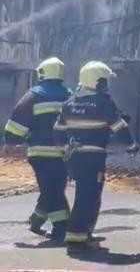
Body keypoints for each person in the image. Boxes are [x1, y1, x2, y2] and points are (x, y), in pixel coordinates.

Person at [55, 61, 139, 253]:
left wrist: (65, 149)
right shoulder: (103, 102)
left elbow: (58, 131)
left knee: (84, 194)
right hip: (93, 159)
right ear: (97, 82)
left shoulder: (69, 103)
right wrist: (131, 147)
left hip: (73, 158)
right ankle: (76, 237)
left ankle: (84, 234)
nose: (106, 85)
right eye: (104, 81)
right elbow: (119, 128)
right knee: (89, 197)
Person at [3, 57, 71, 243]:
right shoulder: (70, 96)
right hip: (65, 155)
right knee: (55, 189)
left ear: (42, 73)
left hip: (40, 154)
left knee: (51, 191)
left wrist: (10, 141)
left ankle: (54, 225)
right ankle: (50, 224)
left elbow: (17, 121)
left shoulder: (32, 96)